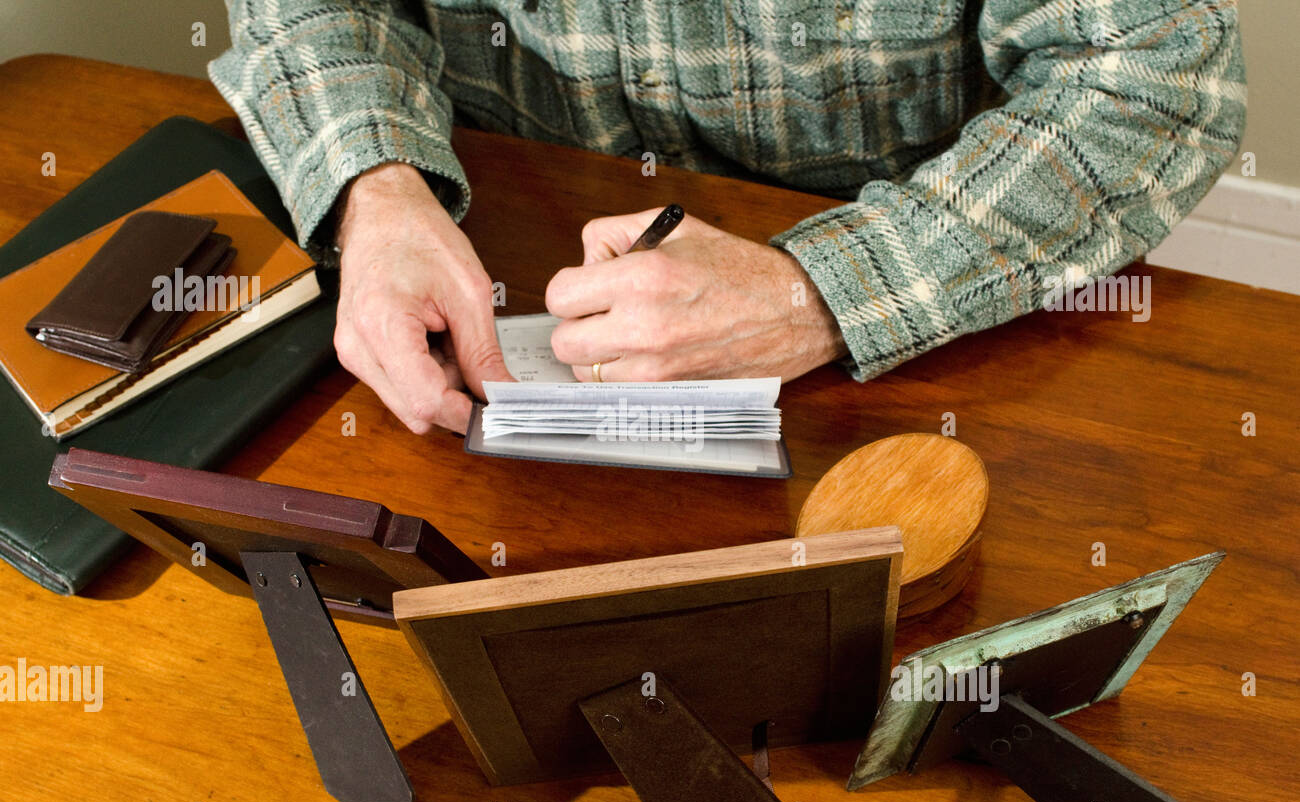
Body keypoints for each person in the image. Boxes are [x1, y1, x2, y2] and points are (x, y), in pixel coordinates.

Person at [210, 0, 1246, 435]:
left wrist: (820, 293)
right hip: (493, 274)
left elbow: (1154, 82)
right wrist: (377, 189)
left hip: (918, 350)